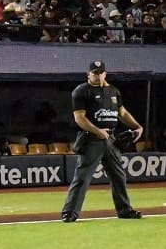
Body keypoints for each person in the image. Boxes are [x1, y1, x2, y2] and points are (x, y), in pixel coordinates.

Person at [59, 60, 146, 223]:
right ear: (88, 74)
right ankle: (70, 212)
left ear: (105, 73)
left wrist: (137, 126)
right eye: (94, 73)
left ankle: (124, 210)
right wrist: (98, 131)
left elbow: (122, 113)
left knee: (119, 175)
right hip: (92, 138)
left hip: (111, 139)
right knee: (83, 176)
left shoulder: (113, 91)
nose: (97, 76)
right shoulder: (81, 91)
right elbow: (79, 118)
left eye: (100, 73)